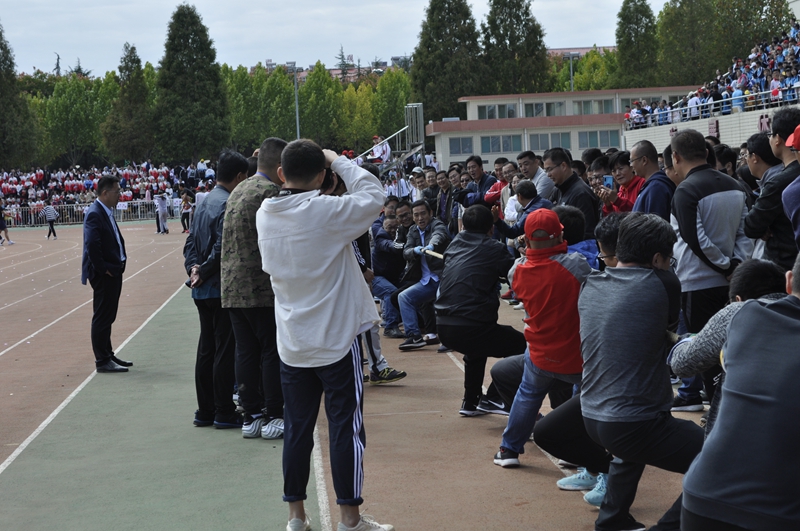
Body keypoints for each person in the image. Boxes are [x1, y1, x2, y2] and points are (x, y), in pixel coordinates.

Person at [256, 140, 392, 531]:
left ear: (281, 174)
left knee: (298, 429)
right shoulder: (325, 211)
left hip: (293, 341)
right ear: (321, 176)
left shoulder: (266, 213)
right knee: (345, 428)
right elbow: (374, 194)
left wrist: (321, 178)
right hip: (334, 339)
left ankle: (296, 517)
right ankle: (349, 519)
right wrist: (340, 162)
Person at [580, 213, 704, 531]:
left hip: (591, 414)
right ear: (657, 258)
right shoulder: (663, 282)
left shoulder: (591, 283)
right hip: (632, 423)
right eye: (668, 260)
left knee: (631, 446)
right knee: (721, 459)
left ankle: (612, 520)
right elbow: (667, 336)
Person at [681, 254, 800, 531]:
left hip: (702, 496)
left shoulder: (743, 314)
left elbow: (684, 362)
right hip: (779, 511)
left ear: (789, 281)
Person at [493, 208, 591, 468]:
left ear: (526, 239)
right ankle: (573, 452)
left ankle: (508, 450)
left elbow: (526, 270)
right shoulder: (576, 264)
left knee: (527, 395)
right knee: (582, 400)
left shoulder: (517, 270)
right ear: (559, 234)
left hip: (539, 350)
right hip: (575, 351)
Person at [670, 129, 752, 411]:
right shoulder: (734, 185)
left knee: (706, 356)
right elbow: (744, 231)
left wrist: (726, 265)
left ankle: (720, 416)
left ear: (676, 157)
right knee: (730, 351)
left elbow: (695, 239)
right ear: (706, 153)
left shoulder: (686, 190)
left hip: (698, 283)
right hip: (731, 281)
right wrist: (736, 265)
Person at [669, 259, 786, 437]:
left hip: (739, 438)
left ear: (738, 299)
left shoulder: (738, 311)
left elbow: (682, 364)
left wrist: (686, 341)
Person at [220, 138, 287, 440]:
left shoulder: (238, 189)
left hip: (232, 288)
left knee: (245, 353)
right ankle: (274, 413)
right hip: (260, 288)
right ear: (279, 168)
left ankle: (252, 416)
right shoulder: (269, 193)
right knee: (271, 351)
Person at [434, 205, 526, 415]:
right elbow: (517, 279)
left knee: (476, 347)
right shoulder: (494, 248)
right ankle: (495, 398)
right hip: (471, 325)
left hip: (444, 326)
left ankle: (471, 402)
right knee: (525, 346)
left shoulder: (453, 245)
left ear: (463, 226)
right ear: (491, 229)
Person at [185, 150, 249, 430]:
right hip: (220, 285)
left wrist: (193, 269)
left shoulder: (204, 201)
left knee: (206, 349)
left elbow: (190, 244)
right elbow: (222, 247)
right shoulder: (228, 203)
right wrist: (206, 270)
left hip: (201, 287)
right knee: (225, 349)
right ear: (239, 177)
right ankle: (223, 409)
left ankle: (205, 409)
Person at [81, 175, 131, 373]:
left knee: (108, 315)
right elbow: (92, 244)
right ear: (105, 193)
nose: (120, 195)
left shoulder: (106, 211)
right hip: (105, 274)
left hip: (113, 270)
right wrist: (104, 269)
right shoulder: (95, 213)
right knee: (102, 316)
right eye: (117, 191)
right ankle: (102, 360)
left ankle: (108, 354)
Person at [744, 109, 800, 271]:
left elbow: (751, 226)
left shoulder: (780, 182)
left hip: (785, 266)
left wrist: (766, 225)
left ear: (778, 140)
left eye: (771, 135)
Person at [396, 200, 451, 350]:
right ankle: (414, 336)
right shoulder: (413, 231)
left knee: (441, 301)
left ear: (430, 213)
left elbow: (439, 234)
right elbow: (406, 252)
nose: (420, 218)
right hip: (426, 281)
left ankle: (448, 340)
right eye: (416, 215)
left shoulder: (437, 224)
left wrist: (431, 246)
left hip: (443, 278)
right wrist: (414, 251)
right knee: (403, 297)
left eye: (423, 214)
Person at [543, 147, 601, 240]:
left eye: (550, 169)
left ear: (563, 166)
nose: (548, 174)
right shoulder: (558, 188)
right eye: (546, 171)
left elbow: (587, 233)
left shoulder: (581, 193)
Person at [631, 140, 675, 221]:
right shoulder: (653, 185)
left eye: (632, 161)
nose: (631, 165)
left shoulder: (656, 188)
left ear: (644, 160)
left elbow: (655, 228)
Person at [596, 151, 644, 215]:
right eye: (614, 171)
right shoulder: (620, 190)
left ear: (632, 167)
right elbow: (613, 220)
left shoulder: (642, 184)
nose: (617, 173)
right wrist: (608, 204)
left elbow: (639, 213)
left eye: (620, 168)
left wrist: (616, 200)